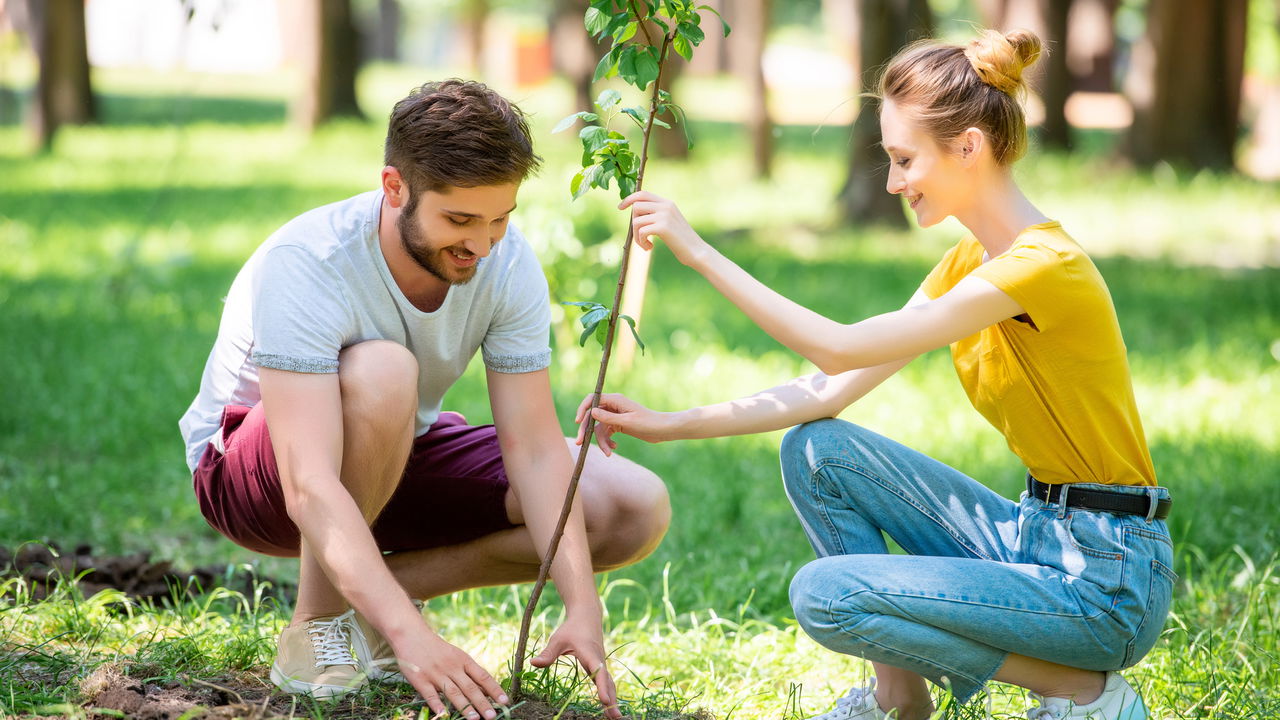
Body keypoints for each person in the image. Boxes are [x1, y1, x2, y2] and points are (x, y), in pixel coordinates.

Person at [573, 30, 1172, 720]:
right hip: (1031, 536)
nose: (892, 182)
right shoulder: (970, 263)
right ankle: (898, 700)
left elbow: (837, 347)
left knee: (828, 595)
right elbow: (827, 389)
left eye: (904, 159)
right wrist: (668, 424)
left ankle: (1081, 692)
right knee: (818, 451)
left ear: (969, 147)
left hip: (1107, 579)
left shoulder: (1042, 268)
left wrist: (698, 251)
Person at [178, 79, 671, 720]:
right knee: (384, 371)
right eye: (460, 220)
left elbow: (536, 449)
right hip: (258, 480)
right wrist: (418, 641)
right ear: (394, 188)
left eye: (500, 218)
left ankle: (375, 609)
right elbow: (307, 483)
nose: (482, 244)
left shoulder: (504, 260)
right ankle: (316, 626)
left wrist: (583, 604)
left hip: (389, 450)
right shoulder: (309, 260)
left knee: (629, 506)